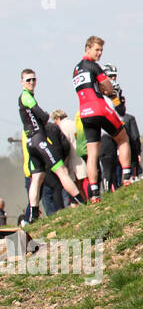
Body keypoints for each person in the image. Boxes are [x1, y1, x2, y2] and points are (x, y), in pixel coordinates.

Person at [18, 69, 86, 220]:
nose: (31, 83)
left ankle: (33, 215)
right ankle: (81, 202)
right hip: (38, 140)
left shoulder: (25, 96)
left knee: (37, 177)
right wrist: (44, 118)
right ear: (22, 82)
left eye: (33, 79)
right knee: (61, 170)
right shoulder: (26, 96)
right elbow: (41, 114)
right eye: (28, 80)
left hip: (30, 143)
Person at [74, 36, 135, 202]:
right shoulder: (93, 66)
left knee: (93, 152)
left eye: (101, 50)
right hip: (99, 108)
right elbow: (107, 86)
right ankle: (127, 177)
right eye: (96, 50)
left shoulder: (76, 69)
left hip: (84, 113)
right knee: (123, 138)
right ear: (87, 49)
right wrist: (109, 92)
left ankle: (94, 193)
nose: (99, 53)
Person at [50, 110, 89, 206]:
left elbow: (64, 144)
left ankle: (82, 204)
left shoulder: (62, 127)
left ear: (57, 118)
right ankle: (85, 202)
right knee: (80, 183)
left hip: (71, 157)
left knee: (75, 186)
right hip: (79, 154)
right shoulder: (73, 123)